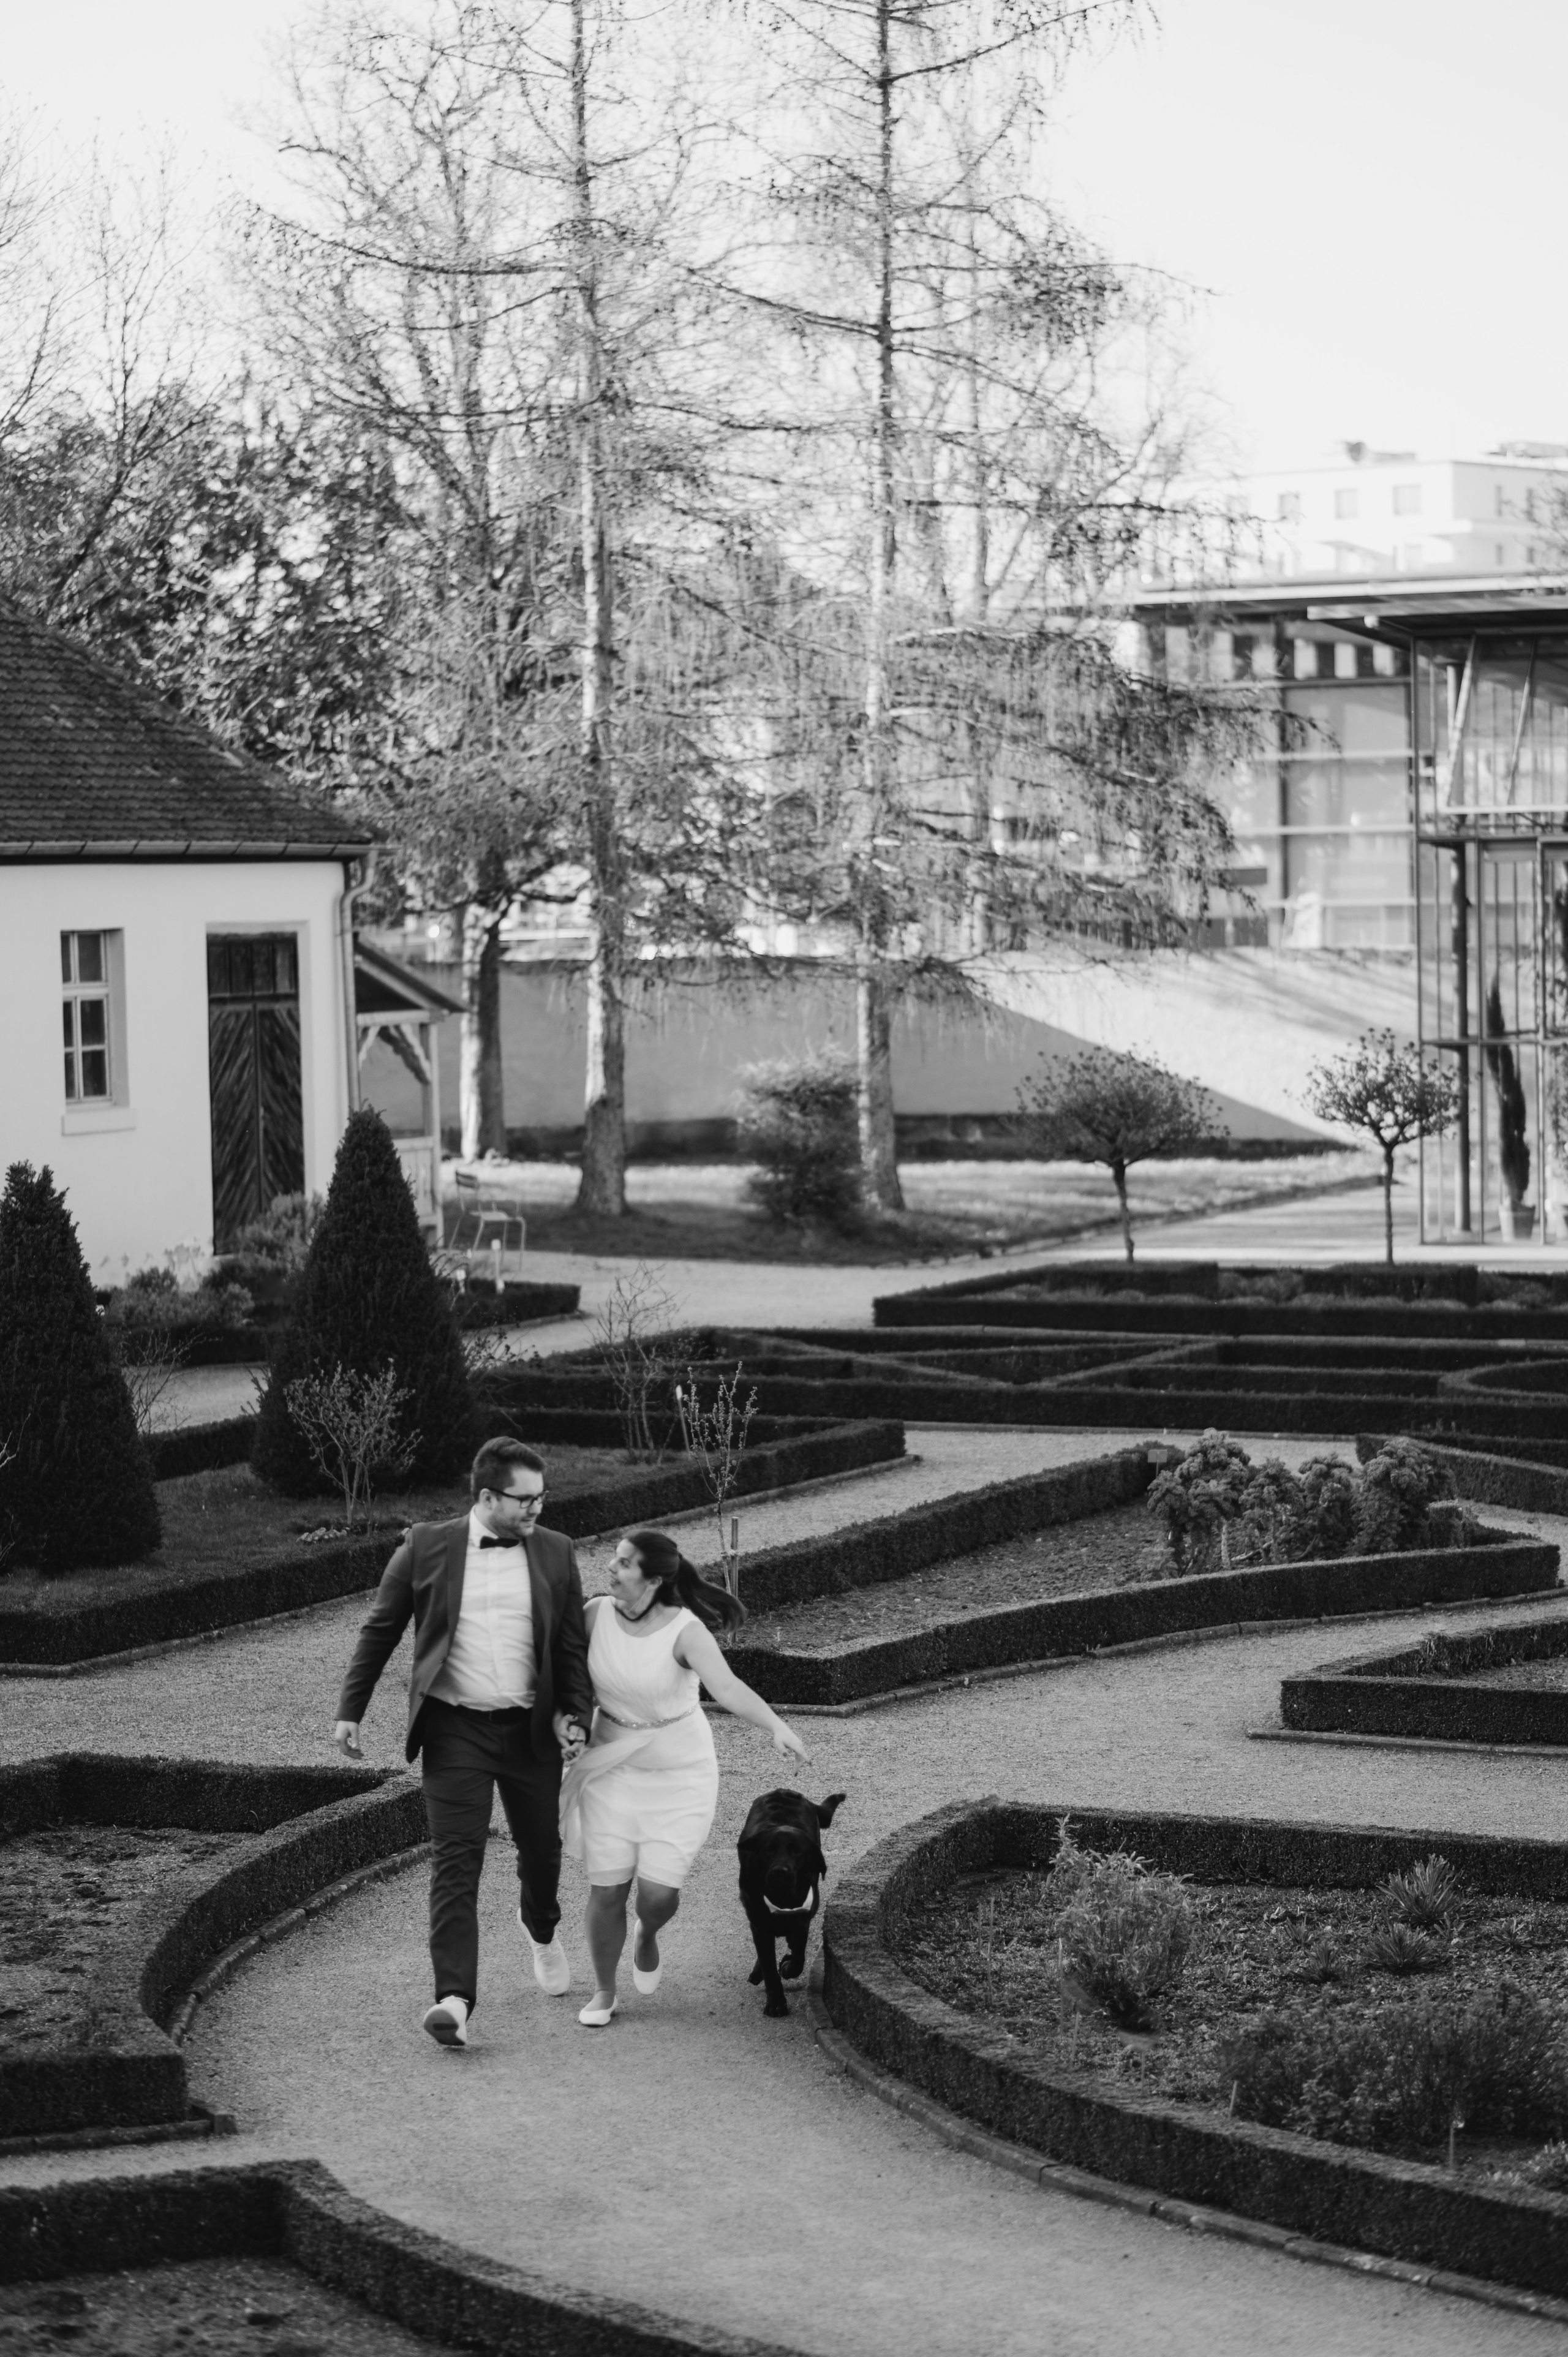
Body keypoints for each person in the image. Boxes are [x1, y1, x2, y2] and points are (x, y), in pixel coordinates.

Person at [332, 1437, 592, 2050]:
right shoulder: (424, 1545)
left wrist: (575, 1714)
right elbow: (380, 1628)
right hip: (455, 1730)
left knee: (542, 1853)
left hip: (531, 1731)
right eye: (524, 1498)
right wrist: (351, 1710)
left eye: (541, 1496)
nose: (537, 1508)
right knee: (456, 1862)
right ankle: (453, 1999)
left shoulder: (555, 1551)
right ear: (485, 1495)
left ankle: (542, 1928)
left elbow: (571, 1648)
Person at [559, 1526, 810, 2027]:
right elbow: (568, 1680)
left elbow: (727, 1687)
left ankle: (648, 1932)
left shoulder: (685, 1630)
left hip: (679, 1770)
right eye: (614, 1558)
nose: (610, 1567)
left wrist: (776, 1725)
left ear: (652, 1580)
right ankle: (604, 1991)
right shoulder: (593, 1615)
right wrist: (567, 1726)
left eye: (624, 1562)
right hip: (611, 1762)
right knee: (606, 1886)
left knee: (657, 1895)